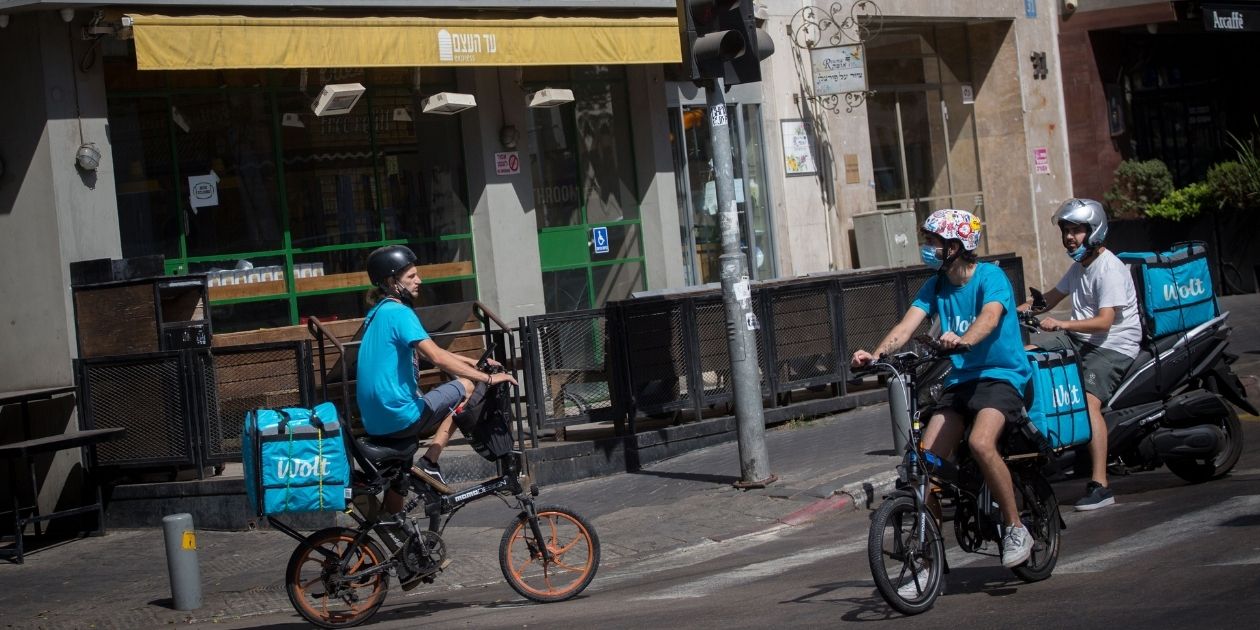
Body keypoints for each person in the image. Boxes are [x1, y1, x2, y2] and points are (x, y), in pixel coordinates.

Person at [851, 209, 1035, 570]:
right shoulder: (936, 285)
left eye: (933, 242)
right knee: (923, 463)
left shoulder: (990, 277)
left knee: (982, 442)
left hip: (1002, 376)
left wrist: (964, 340)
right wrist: (874, 357)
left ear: (956, 245)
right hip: (961, 381)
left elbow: (990, 317)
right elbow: (906, 325)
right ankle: (930, 557)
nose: (927, 249)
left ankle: (1015, 528)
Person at [356, 245, 517, 511]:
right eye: (411, 277)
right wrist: (486, 379)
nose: (419, 281)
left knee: (400, 482)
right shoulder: (400, 313)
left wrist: (474, 362)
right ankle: (430, 462)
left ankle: (396, 542)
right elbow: (438, 358)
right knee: (466, 387)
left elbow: (436, 351)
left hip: (376, 421)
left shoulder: (377, 315)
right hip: (401, 414)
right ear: (391, 282)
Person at [1018, 198, 1140, 511]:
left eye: (1076, 230)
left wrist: (1061, 322)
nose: (1069, 237)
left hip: (1112, 344)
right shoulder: (1079, 267)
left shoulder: (1108, 268)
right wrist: (1011, 310)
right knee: (1026, 357)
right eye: (1066, 231)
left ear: (1094, 231)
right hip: (1080, 339)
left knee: (1088, 404)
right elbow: (1048, 299)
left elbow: (1104, 322)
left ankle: (1100, 484)